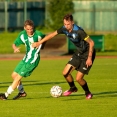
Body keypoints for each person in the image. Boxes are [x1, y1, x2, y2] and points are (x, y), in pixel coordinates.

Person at [32, 14, 96, 99]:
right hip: (78, 53)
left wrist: (89, 57)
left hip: (87, 54)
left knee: (78, 78)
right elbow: (52, 35)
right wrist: (39, 43)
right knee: (65, 73)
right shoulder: (64, 29)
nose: (66, 26)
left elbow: (91, 42)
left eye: (68, 24)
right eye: (65, 24)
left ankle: (88, 93)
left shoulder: (79, 31)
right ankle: (73, 88)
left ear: (72, 22)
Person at [0, 20, 45, 100]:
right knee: (13, 75)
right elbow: (14, 44)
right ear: (25, 28)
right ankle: (22, 92)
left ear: (33, 28)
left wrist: (41, 44)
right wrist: (15, 48)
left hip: (33, 60)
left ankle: (5, 95)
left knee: (18, 78)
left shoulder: (38, 34)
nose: (30, 31)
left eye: (31, 29)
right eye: (28, 29)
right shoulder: (22, 35)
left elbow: (45, 38)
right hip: (26, 58)